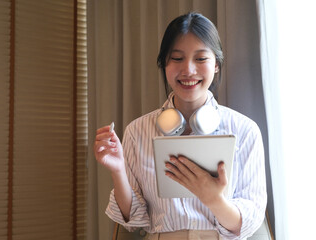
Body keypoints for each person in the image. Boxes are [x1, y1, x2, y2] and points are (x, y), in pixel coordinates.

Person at [94, 12, 267, 240]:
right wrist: (118, 171)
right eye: (176, 58)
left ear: (216, 64)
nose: (188, 70)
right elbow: (133, 220)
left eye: (201, 58)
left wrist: (213, 199)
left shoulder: (245, 130)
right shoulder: (137, 131)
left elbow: (248, 223)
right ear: (164, 65)